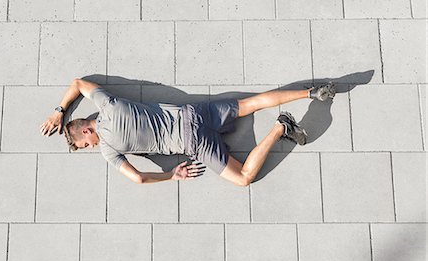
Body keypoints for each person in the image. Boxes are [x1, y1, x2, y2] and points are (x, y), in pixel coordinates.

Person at [40, 78, 335, 186]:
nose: (89, 147)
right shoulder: (109, 104)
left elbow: (140, 178)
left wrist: (173, 175)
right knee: (250, 103)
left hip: (193, 141)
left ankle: (281, 126)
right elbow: (78, 83)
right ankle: (312, 92)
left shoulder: (108, 150)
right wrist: (59, 110)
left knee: (244, 178)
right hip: (192, 113)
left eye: (84, 143)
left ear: (87, 130)